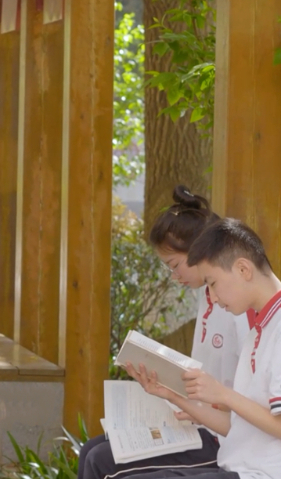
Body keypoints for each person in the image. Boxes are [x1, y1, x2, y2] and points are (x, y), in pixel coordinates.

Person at [123, 218, 281, 479]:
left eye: (212, 283)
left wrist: (224, 395)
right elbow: (237, 428)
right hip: (241, 470)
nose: (212, 297)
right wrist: (172, 396)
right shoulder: (263, 328)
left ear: (243, 269)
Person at [78, 186, 253, 479]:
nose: (174, 276)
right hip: (200, 422)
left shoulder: (239, 304)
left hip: (223, 438)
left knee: (100, 461)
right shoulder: (208, 296)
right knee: (90, 450)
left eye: (175, 265)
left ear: (200, 251)